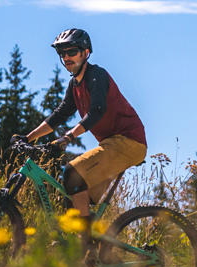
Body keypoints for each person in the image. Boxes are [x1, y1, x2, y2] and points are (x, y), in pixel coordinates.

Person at [22, 28, 147, 235]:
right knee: (74, 197)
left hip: (127, 142)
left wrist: (68, 137)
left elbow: (97, 112)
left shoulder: (96, 75)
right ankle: (100, 254)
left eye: (71, 51)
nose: (66, 57)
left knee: (72, 173)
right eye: (62, 53)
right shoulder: (74, 84)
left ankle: (85, 246)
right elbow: (59, 116)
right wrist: (28, 137)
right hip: (111, 144)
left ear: (85, 52)